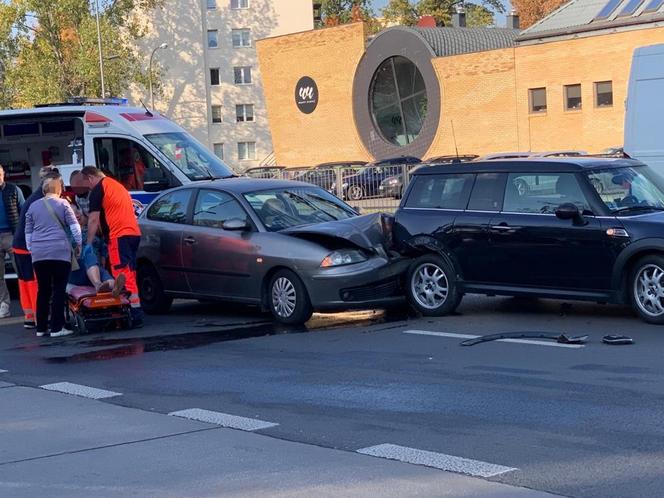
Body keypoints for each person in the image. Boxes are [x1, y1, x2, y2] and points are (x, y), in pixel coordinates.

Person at [80, 166, 143, 327]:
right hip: (133, 233)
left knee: (122, 272)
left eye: (87, 183)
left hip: (118, 236)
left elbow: (94, 219)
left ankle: (134, 312)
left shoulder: (98, 189)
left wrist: (88, 243)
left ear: (90, 178)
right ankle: (131, 307)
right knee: (130, 271)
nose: (88, 187)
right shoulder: (116, 185)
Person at [25, 176, 82, 337]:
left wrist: (33, 249)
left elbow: (28, 233)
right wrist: (79, 245)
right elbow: (75, 227)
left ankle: (41, 328)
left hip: (38, 254)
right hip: (59, 252)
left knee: (43, 291)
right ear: (59, 189)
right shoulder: (63, 203)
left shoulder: (33, 206)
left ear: (44, 190)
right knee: (58, 289)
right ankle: (57, 327)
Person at [12, 166, 60, 329]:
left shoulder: (34, 197)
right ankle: (42, 319)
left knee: (24, 281)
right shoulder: (43, 200)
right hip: (28, 246)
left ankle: (30, 317)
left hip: (18, 245)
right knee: (35, 282)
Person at [68, 207, 125, 295]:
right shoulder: (68, 231)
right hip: (77, 270)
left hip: (94, 269)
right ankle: (98, 285)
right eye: (72, 213)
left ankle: (114, 287)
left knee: (104, 274)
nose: (77, 214)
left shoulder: (95, 231)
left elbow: (103, 249)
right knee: (89, 255)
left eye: (78, 211)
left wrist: (103, 259)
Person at [0, 164, 25, 319]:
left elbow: (24, 211)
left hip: (12, 235)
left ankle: (27, 303)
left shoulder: (14, 190)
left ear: (3, 175)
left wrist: (22, 235)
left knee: (21, 270)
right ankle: (3, 305)